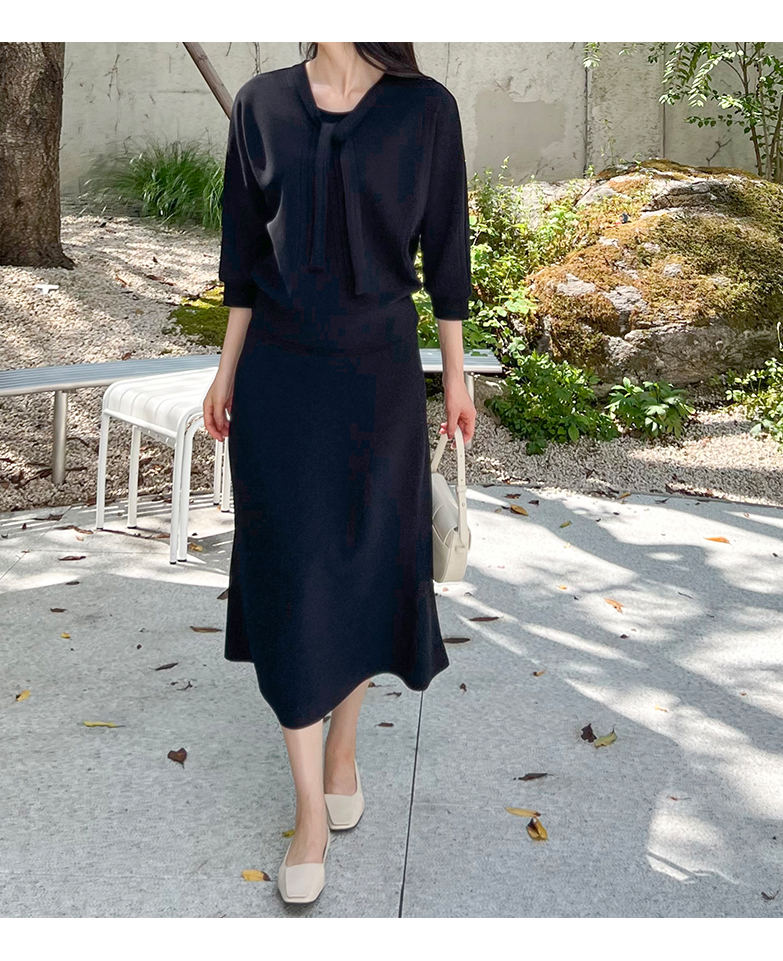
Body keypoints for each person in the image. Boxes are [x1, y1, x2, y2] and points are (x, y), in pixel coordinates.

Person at [203, 42, 475, 905]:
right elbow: (242, 254)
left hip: (377, 376)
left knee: (361, 565)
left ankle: (344, 747)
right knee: (290, 574)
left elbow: (448, 249)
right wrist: (225, 370)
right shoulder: (260, 105)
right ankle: (308, 811)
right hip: (278, 375)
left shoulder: (426, 109)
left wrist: (456, 376)